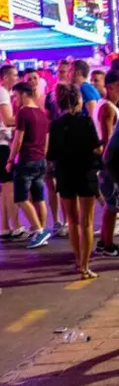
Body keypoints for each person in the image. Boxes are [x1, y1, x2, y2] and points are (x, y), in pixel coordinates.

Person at [48, 83, 102, 279]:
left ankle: (78, 260)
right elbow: (96, 147)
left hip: (65, 174)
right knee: (86, 222)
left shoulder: (55, 125)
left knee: (72, 220)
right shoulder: (86, 122)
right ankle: (85, 266)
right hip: (86, 173)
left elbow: (51, 154)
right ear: (78, 100)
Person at [8, 81, 52, 249]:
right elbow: (46, 139)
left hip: (26, 160)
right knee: (39, 197)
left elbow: (18, 139)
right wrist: (43, 156)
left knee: (21, 198)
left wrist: (11, 160)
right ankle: (41, 230)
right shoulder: (41, 114)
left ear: (24, 94)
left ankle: (39, 230)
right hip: (40, 160)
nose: (14, 100)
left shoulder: (23, 113)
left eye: (16, 96)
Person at [0, 64, 23, 242]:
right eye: (14, 75)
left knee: (5, 185)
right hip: (0, 143)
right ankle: (15, 225)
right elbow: (7, 120)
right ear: (6, 77)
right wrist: (28, 117)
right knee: (9, 186)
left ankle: (4, 227)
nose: (17, 78)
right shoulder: (1, 93)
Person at [46, 61, 71, 237]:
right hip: (54, 141)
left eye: (64, 71)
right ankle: (56, 220)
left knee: (65, 185)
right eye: (59, 71)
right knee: (51, 184)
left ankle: (68, 220)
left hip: (69, 143)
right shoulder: (49, 96)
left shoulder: (74, 93)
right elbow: (47, 119)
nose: (61, 74)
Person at [98, 70, 119, 257]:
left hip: (109, 161)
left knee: (111, 205)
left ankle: (105, 241)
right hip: (111, 162)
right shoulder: (108, 108)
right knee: (112, 204)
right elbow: (108, 138)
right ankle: (107, 244)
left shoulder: (109, 105)